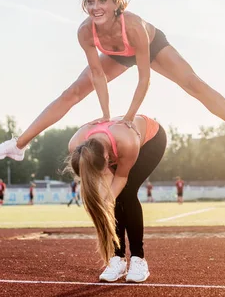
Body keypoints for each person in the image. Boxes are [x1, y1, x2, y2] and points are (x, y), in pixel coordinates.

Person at [0, 0, 225, 161]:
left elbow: (144, 77)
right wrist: (108, 115)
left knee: (191, 83)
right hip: (119, 54)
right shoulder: (85, 32)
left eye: (102, 0)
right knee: (72, 92)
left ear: (115, 3)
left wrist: (130, 117)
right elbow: (98, 76)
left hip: (149, 45)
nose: (95, 6)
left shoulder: (133, 25)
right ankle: (18, 145)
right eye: (90, 1)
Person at [64, 113, 166, 283]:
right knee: (114, 198)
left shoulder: (127, 142)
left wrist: (106, 200)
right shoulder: (76, 146)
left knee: (127, 191)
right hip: (110, 143)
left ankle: (138, 259)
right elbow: (97, 180)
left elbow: (121, 178)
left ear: (107, 157)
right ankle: (117, 259)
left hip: (151, 140)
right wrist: (102, 204)